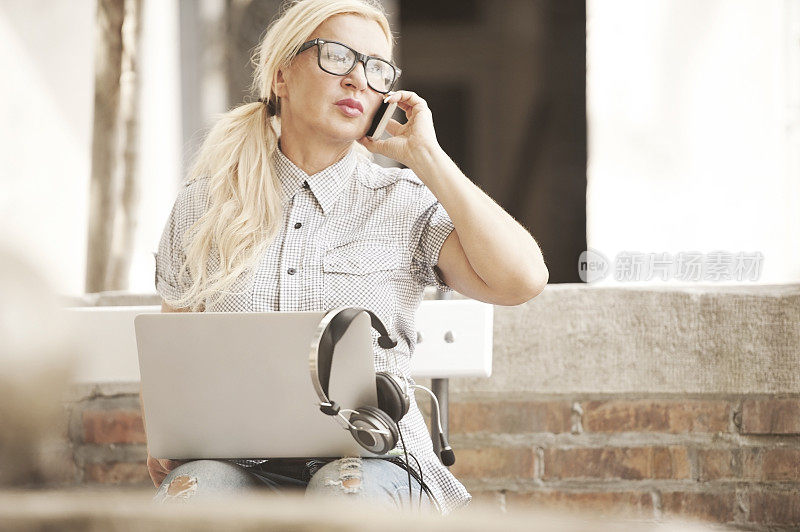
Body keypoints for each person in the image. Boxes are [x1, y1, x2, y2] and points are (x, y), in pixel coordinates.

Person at [147, 0, 548, 516]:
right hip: (237, 464)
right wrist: (172, 440)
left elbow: (523, 280)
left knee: (342, 497)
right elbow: (173, 356)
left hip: (375, 464)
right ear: (282, 76)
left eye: (377, 68)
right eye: (338, 56)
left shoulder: (403, 201)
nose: (359, 79)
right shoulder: (203, 204)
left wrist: (427, 157)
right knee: (190, 499)